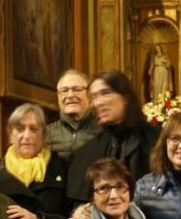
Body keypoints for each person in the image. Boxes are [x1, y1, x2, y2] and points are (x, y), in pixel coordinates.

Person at [66, 70, 158, 207]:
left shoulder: (156, 141)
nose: (97, 103)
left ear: (126, 97)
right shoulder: (85, 152)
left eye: (105, 93)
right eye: (93, 97)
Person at [45, 69, 97, 163]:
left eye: (76, 89)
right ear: (58, 96)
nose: (70, 95)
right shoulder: (45, 134)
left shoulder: (104, 131)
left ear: (89, 94)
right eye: (64, 91)